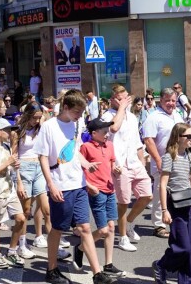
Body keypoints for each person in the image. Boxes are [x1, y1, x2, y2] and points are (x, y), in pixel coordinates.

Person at [33, 89, 115, 284]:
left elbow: (76, 150)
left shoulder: (76, 124)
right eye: (77, 111)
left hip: (78, 183)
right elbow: (43, 157)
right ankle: (51, 269)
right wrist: (51, 185)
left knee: (85, 228)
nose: (79, 116)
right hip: (60, 185)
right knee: (58, 229)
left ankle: (97, 274)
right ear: (66, 107)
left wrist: (86, 165)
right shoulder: (49, 126)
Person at [153, 123, 191, 284]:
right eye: (188, 136)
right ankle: (161, 265)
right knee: (182, 247)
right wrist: (164, 210)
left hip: (190, 204)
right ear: (178, 137)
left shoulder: (189, 156)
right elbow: (163, 185)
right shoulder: (169, 157)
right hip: (175, 205)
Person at [14, 102, 71, 260]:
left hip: (39, 169)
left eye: (39, 118)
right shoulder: (18, 132)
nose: (37, 121)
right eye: (34, 118)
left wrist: (44, 115)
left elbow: (51, 120)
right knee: (26, 211)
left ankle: (55, 247)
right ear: (27, 116)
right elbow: (14, 157)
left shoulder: (41, 129)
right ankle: (22, 244)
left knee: (47, 210)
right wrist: (18, 180)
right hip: (24, 169)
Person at [102, 85, 152, 252]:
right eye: (121, 98)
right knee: (123, 202)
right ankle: (123, 237)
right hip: (119, 166)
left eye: (126, 98)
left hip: (135, 163)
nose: (125, 101)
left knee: (147, 196)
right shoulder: (108, 116)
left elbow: (137, 143)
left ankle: (129, 222)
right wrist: (122, 108)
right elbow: (113, 128)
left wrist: (142, 161)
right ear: (113, 99)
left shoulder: (131, 117)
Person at [79, 118, 126, 277]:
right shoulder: (85, 147)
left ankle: (108, 264)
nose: (107, 135)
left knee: (112, 227)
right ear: (94, 133)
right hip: (96, 191)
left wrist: (116, 169)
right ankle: (82, 246)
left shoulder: (110, 146)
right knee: (103, 229)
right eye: (104, 132)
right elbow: (80, 169)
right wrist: (89, 186)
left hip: (110, 189)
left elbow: (111, 164)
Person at [143, 87, 184, 239]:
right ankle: (159, 225)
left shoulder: (177, 115)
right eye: (167, 100)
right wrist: (159, 161)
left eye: (173, 100)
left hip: (179, 161)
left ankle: (175, 220)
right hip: (162, 162)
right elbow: (148, 140)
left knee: (177, 192)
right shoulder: (154, 117)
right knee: (160, 194)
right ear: (161, 100)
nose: (171, 103)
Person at [0, 118, 25, 269]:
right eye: (7, 130)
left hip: (9, 189)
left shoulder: (7, 147)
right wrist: (7, 163)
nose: (10, 133)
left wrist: (14, 166)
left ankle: (12, 251)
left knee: (21, 219)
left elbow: (10, 168)